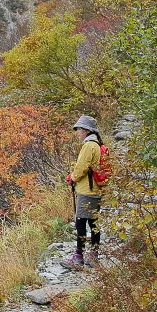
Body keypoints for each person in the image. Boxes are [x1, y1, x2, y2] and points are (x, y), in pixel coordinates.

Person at [64, 115, 102, 268]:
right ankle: (93, 255)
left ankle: (78, 256)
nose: (77, 132)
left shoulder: (88, 146)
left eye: (79, 129)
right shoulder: (97, 144)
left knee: (80, 223)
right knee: (94, 223)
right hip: (95, 190)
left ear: (86, 130)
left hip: (87, 190)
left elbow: (81, 168)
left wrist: (72, 178)